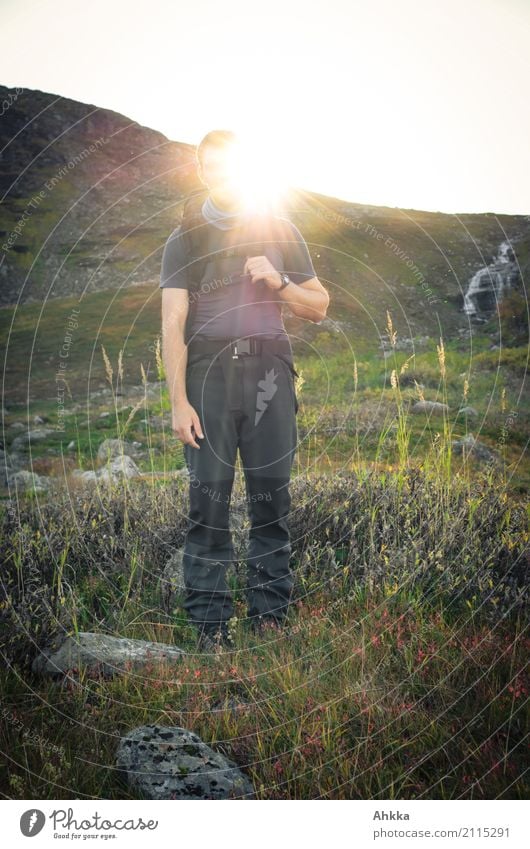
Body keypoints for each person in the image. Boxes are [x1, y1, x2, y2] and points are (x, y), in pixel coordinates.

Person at [159, 130, 329, 652]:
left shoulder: (279, 227)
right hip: (207, 374)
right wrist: (178, 401)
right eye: (213, 168)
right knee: (207, 503)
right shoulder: (185, 235)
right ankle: (210, 629)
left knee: (270, 499)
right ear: (202, 172)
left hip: (271, 371)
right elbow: (172, 321)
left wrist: (278, 282)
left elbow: (318, 305)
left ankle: (270, 621)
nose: (223, 176)